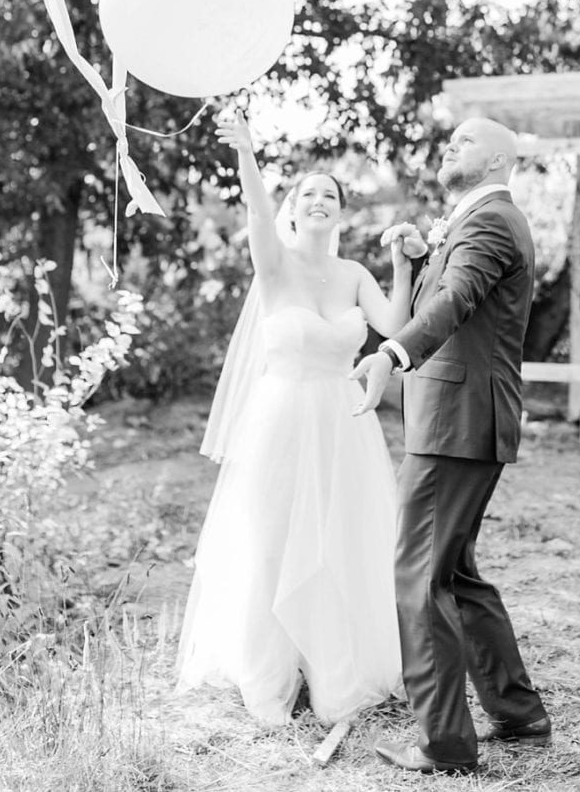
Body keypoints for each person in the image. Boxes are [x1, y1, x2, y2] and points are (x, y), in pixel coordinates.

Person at [176, 108, 407, 726]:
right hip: (280, 419)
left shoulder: (356, 274)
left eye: (331, 194)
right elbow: (255, 215)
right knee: (274, 537)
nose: (320, 200)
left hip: (343, 421)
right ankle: (269, 670)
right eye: (309, 193)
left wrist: (405, 264)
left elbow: (393, 327)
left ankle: (332, 668)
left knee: (340, 535)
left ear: (340, 211)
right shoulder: (275, 265)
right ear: (295, 208)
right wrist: (249, 156)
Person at [352, 118, 550, 774]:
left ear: (499, 157)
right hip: (462, 420)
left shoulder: (490, 220)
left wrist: (392, 350)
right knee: (456, 575)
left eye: (463, 141)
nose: (448, 147)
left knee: (419, 577)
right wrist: (419, 257)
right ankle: (519, 716)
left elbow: (458, 300)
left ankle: (443, 745)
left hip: (457, 423)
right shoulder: (475, 220)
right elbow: (452, 285)